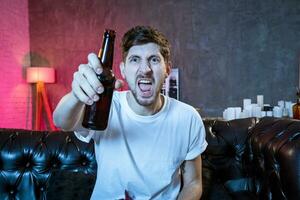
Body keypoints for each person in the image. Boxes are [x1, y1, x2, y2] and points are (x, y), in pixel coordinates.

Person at [53, 25, 207, 200]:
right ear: (123, 70)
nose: (145, 69)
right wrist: (76, 95)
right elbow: (61, 121)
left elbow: (193, 183)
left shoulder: (188, 118)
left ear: (167, 70)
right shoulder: (105, 105)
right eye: (135, 59)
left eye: (154, 60)